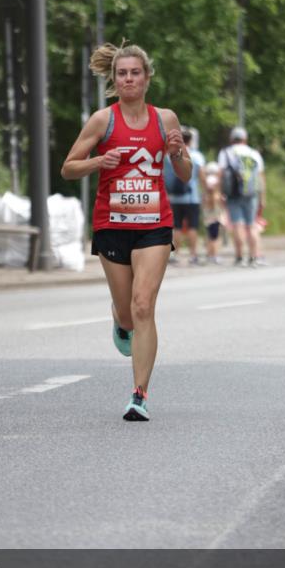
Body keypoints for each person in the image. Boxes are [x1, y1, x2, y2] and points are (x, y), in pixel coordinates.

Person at [61, 41, 191, 420]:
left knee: (144, 304)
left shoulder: (165, 118)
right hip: (112, 224)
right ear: (114, 80)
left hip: (154, 224)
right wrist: (100, 160)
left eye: (135, 72)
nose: (129, 79)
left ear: (147, 78)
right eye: (122, 73)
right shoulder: (103, 120)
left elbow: (184, 174)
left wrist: (178, 151)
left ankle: (139, 395)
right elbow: (68, 167)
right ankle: (120, 324)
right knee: (126, 313)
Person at [218, 127, 266, 266]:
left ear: (232, 139)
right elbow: (261, 177)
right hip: (252, 194)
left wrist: (221, 193)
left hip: (233, 194)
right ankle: (254, 256)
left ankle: (239, 257)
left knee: (237, 225)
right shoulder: (254, 153)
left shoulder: (226, 152)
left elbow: (221, 175)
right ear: (245, 139)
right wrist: (263, 198)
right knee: (251, 225)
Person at [163, 128, 206, 264]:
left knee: (177, 227)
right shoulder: (197, 155)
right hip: (192, 197)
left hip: (174, 196)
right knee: (193, 226)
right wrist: (204, 192)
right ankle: (193, 255)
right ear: (191, 140)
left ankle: (175, 255)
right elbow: (202, 176)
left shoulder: (169, 156)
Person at [201, 161, 226, 264]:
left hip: (207, 212)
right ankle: (214, 255)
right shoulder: (216, 181)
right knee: (215, 235)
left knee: (209, 234)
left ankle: (209, 253)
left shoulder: (206, 181)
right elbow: (217, 196)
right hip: (215, 212)